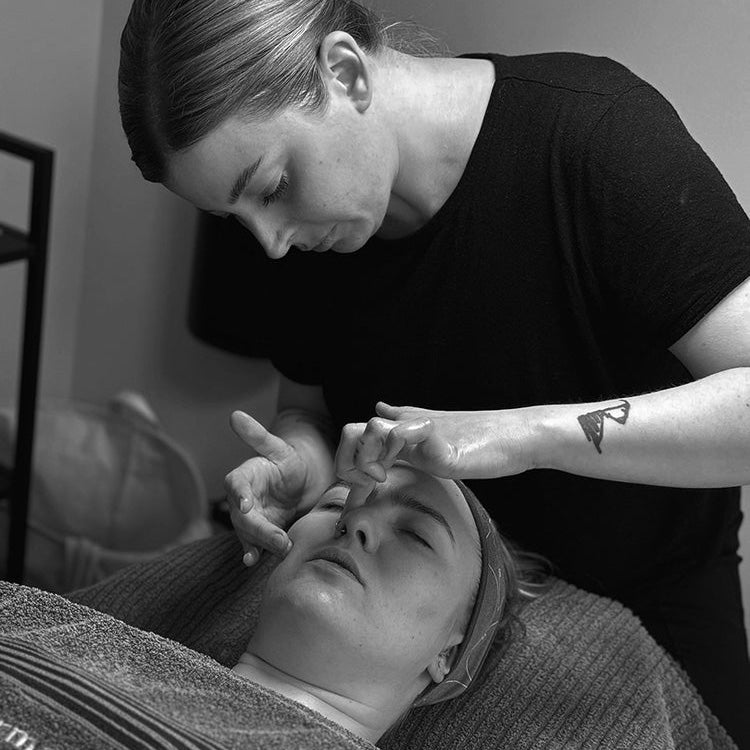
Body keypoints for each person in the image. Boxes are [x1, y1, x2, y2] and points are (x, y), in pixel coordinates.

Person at [117, 0, 750, 744]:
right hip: (398, 626)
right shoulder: (308, 232)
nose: (271, 244)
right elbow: (310, 406)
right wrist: (303, 465)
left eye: (272, 187)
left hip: (644, 604)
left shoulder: (595, 139)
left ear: (345, 73)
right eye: (235, 218)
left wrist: (521, 435)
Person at [0, 465, 537, 748]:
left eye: (417, 534)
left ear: (450, 652)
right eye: (336, 502)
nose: (354, 520)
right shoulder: (63, 630)